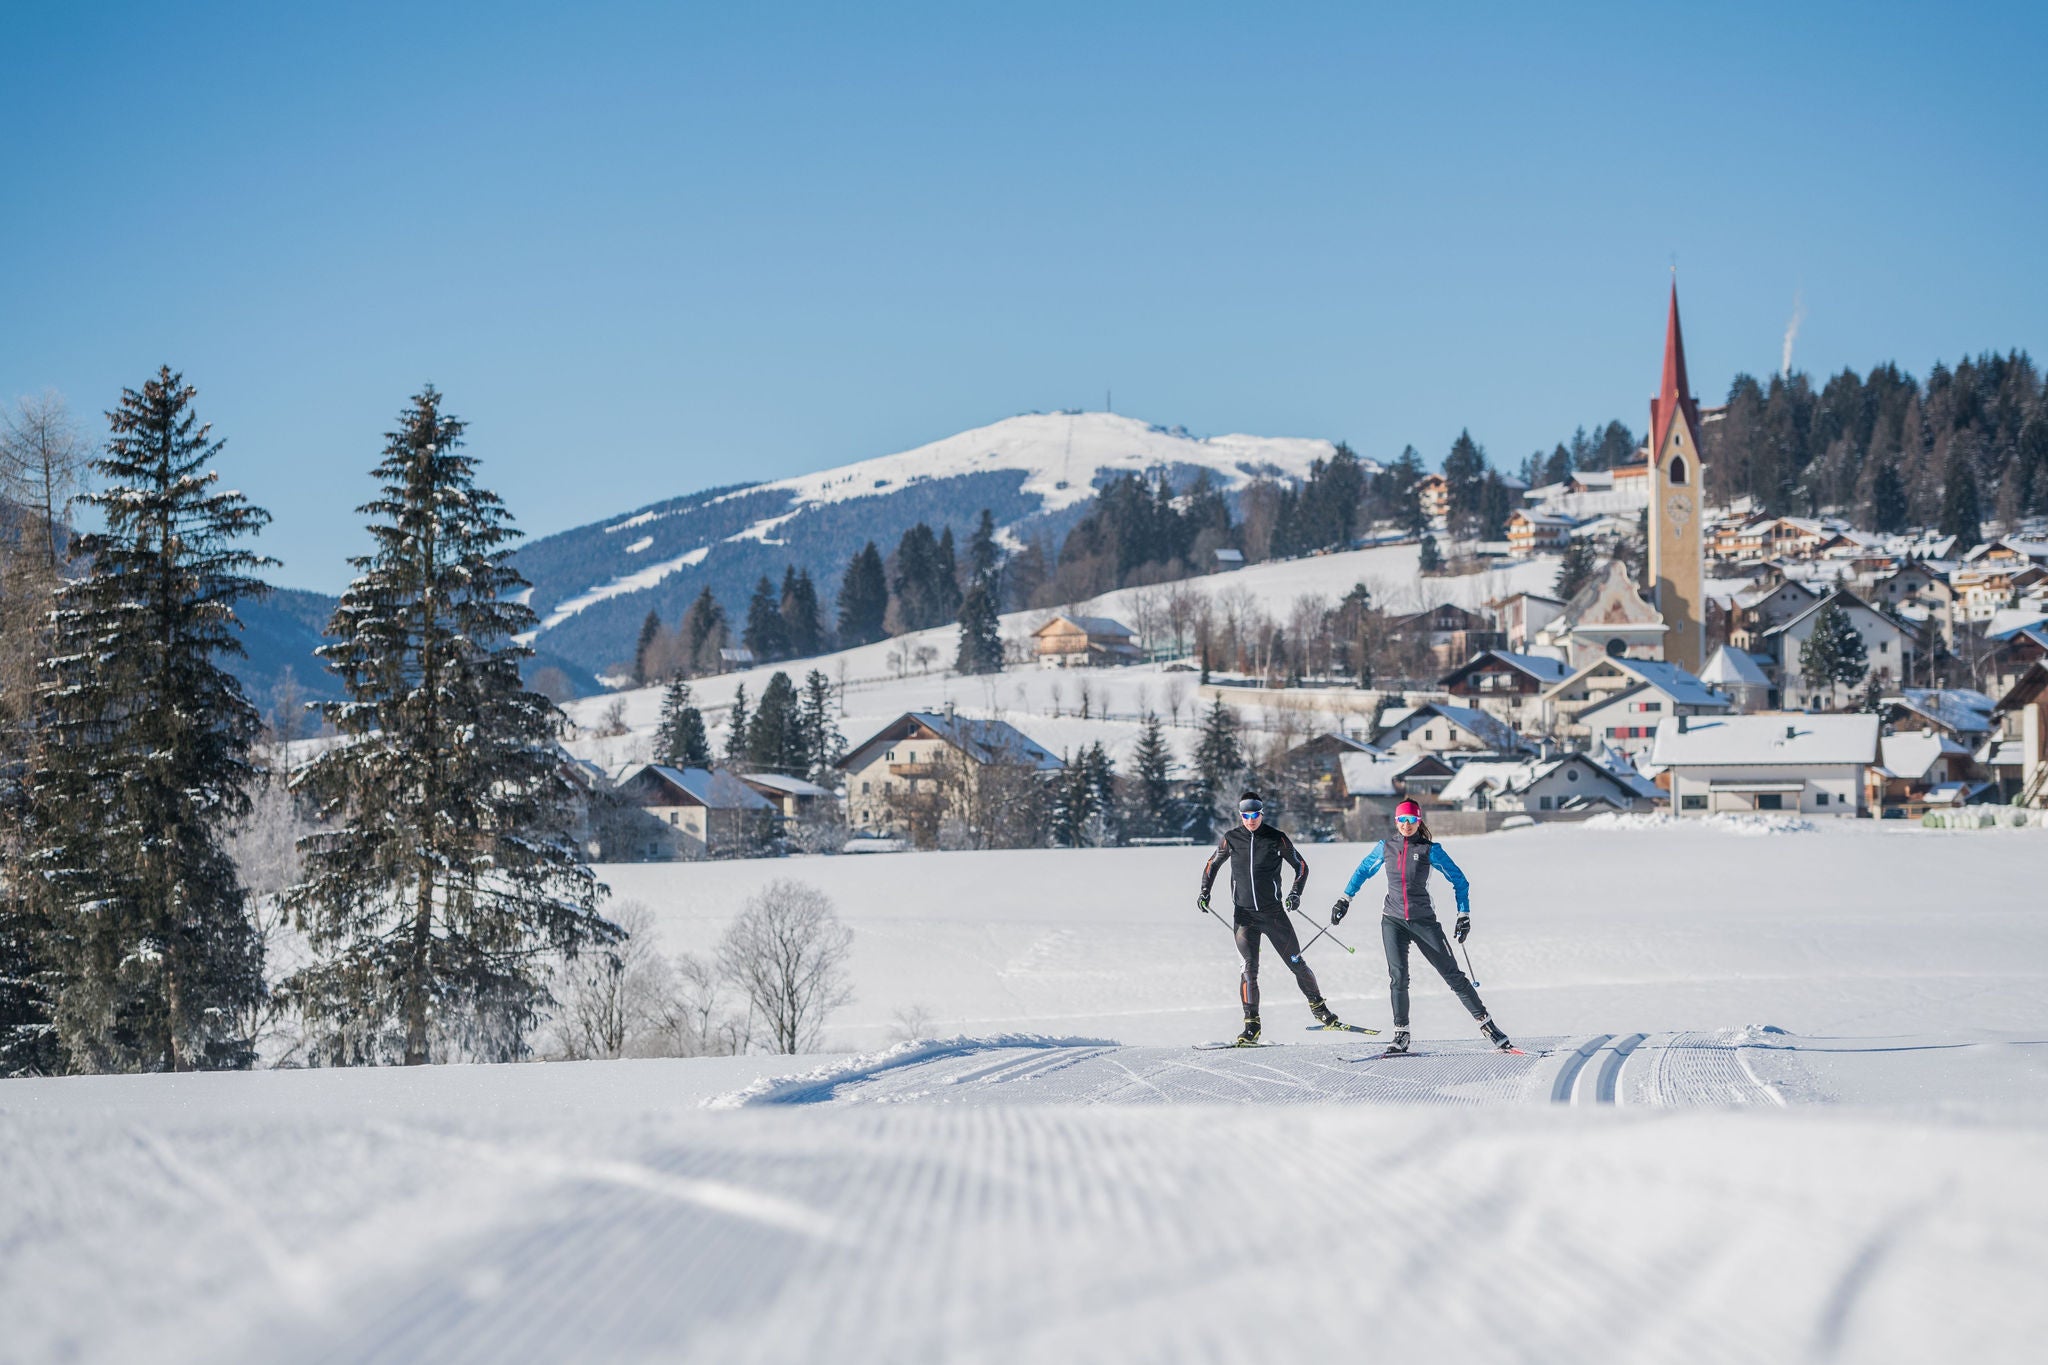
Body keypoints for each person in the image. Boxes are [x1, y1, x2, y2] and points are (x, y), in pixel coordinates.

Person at [1330, 798, 1514, 1054]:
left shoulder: (1429, 850)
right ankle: (1401, 1034)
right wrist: (1344, 899)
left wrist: (1464, 914)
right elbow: (1363, 871)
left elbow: (1459, 880)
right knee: (1398, 978)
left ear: (1419, 821)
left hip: (1423, 921)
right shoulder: (1386, 847)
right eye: (1403, 820)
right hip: (1392, 920)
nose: (1407, 825)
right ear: (1396, 821)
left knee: (1453, 975)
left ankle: (1488, 1026)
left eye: (1412, 820)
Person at [1198, 790, 1342, 1045]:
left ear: (1261, 814)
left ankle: (1321, 1010)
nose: (1250, 819)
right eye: (1245, 815)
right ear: (1240, 815)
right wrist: (1204, 892)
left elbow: (1301, 866)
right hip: (1243, 917)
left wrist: (1295, 893)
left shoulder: (1276, 838)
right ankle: (1251, 1025)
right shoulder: (1231, 838)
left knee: (1296, 962)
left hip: (1274, 914)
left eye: (1254, 814)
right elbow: (1212, 864)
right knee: (1249, 970)